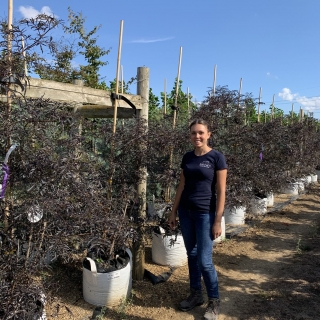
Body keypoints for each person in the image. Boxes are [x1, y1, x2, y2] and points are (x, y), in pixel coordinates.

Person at [168, 119, 227, 320]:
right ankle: (196, 295)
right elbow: (181, 185)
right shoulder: (187, 157)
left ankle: (214, 301)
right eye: (193, 133)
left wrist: (218, 220)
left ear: (209, 134)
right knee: (191, 255)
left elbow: (221, 190)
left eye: (201, 132)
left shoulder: (217, 158)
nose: (197, 136)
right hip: (186, 212)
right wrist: (173, 211)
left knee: (205, 261)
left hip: (205, 214)